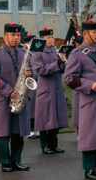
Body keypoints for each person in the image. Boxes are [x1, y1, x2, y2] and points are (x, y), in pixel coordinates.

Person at [64, 20, 96, 180]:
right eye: (94, 32)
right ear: (85, 34)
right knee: (90, 136)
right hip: (89, 101)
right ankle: (89, 169)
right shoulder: (77, 54)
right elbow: (69, 78)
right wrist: (89, 84)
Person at [0, 23, 32, 172]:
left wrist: (32, 74)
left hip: (21, 98)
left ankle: (17, 160)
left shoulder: (24, 53)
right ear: (5, 36)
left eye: (18, 35)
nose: (16, 38)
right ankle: (5, 162)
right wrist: (7, 90)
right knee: (3, 132)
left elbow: (34, 74)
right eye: (13, 35)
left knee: (18, 132)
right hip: (3, 99)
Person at [29, 26, 68, 154]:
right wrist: (57, 64)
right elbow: (41, 70)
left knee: (55, 118)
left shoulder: (55, 51)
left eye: (52, 37)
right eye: (48, 38)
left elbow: (61, 70)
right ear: (42, 39)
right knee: (45, 119)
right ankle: (45, 145)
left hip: (56, 89)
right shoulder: (37, 53)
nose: (52, 40)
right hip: (45, 89)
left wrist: (63, 63)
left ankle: (54, 144)